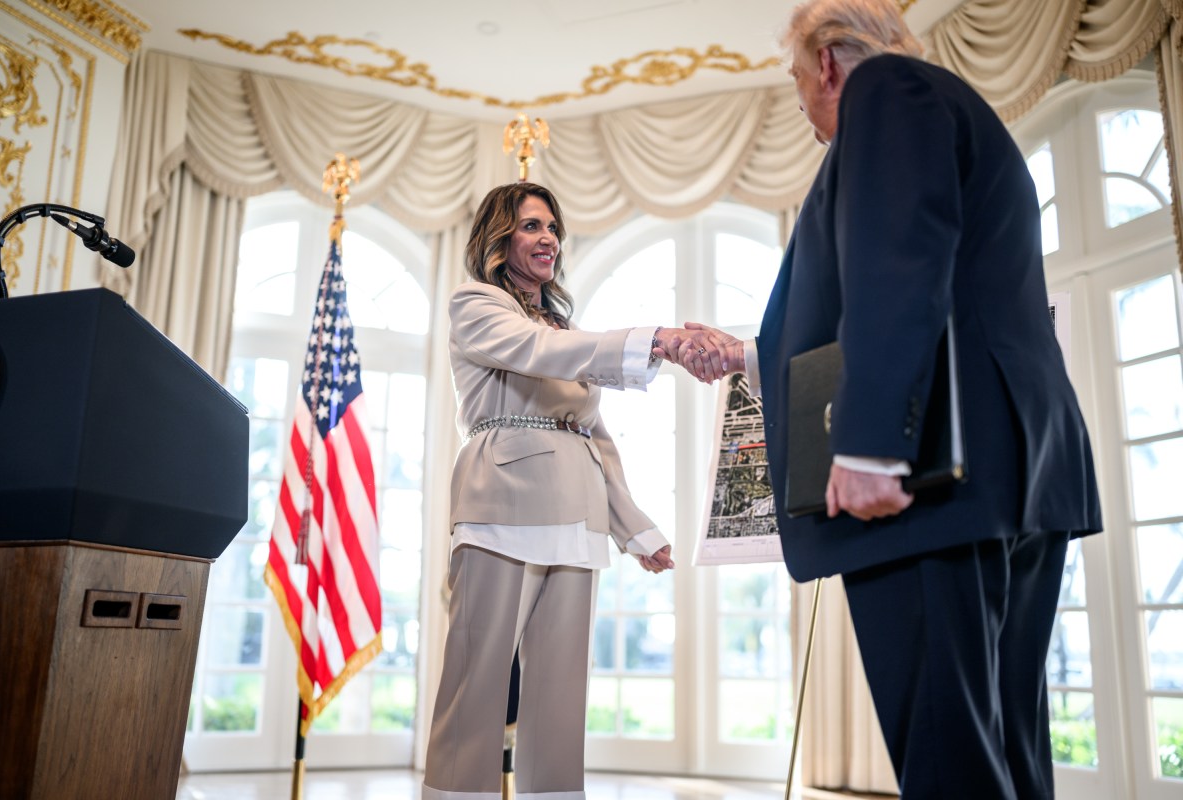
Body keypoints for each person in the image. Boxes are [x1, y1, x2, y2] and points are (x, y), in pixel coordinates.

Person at [658, 1, 1103, 797]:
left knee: (948, 761)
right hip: (1009, 468)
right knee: (1002, 749)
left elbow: (898, 259)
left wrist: (869, 444)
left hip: (933, 478)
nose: (804, 110)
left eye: (798, 84)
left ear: (827, 64)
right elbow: (929, 290)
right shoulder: (952, 110)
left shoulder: (890, 91)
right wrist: (748, 357)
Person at [422, 181, 724, 800]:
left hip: (577, 516)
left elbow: (594, 435)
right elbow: (539, 351)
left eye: (552, 228)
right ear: (498, 237)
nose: (548, 239)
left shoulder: (564, 328)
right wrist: (656, 339)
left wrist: (634, 528)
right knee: (475, 681)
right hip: (499, 503)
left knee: (560, 694)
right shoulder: (474, 304)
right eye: (532, 226)